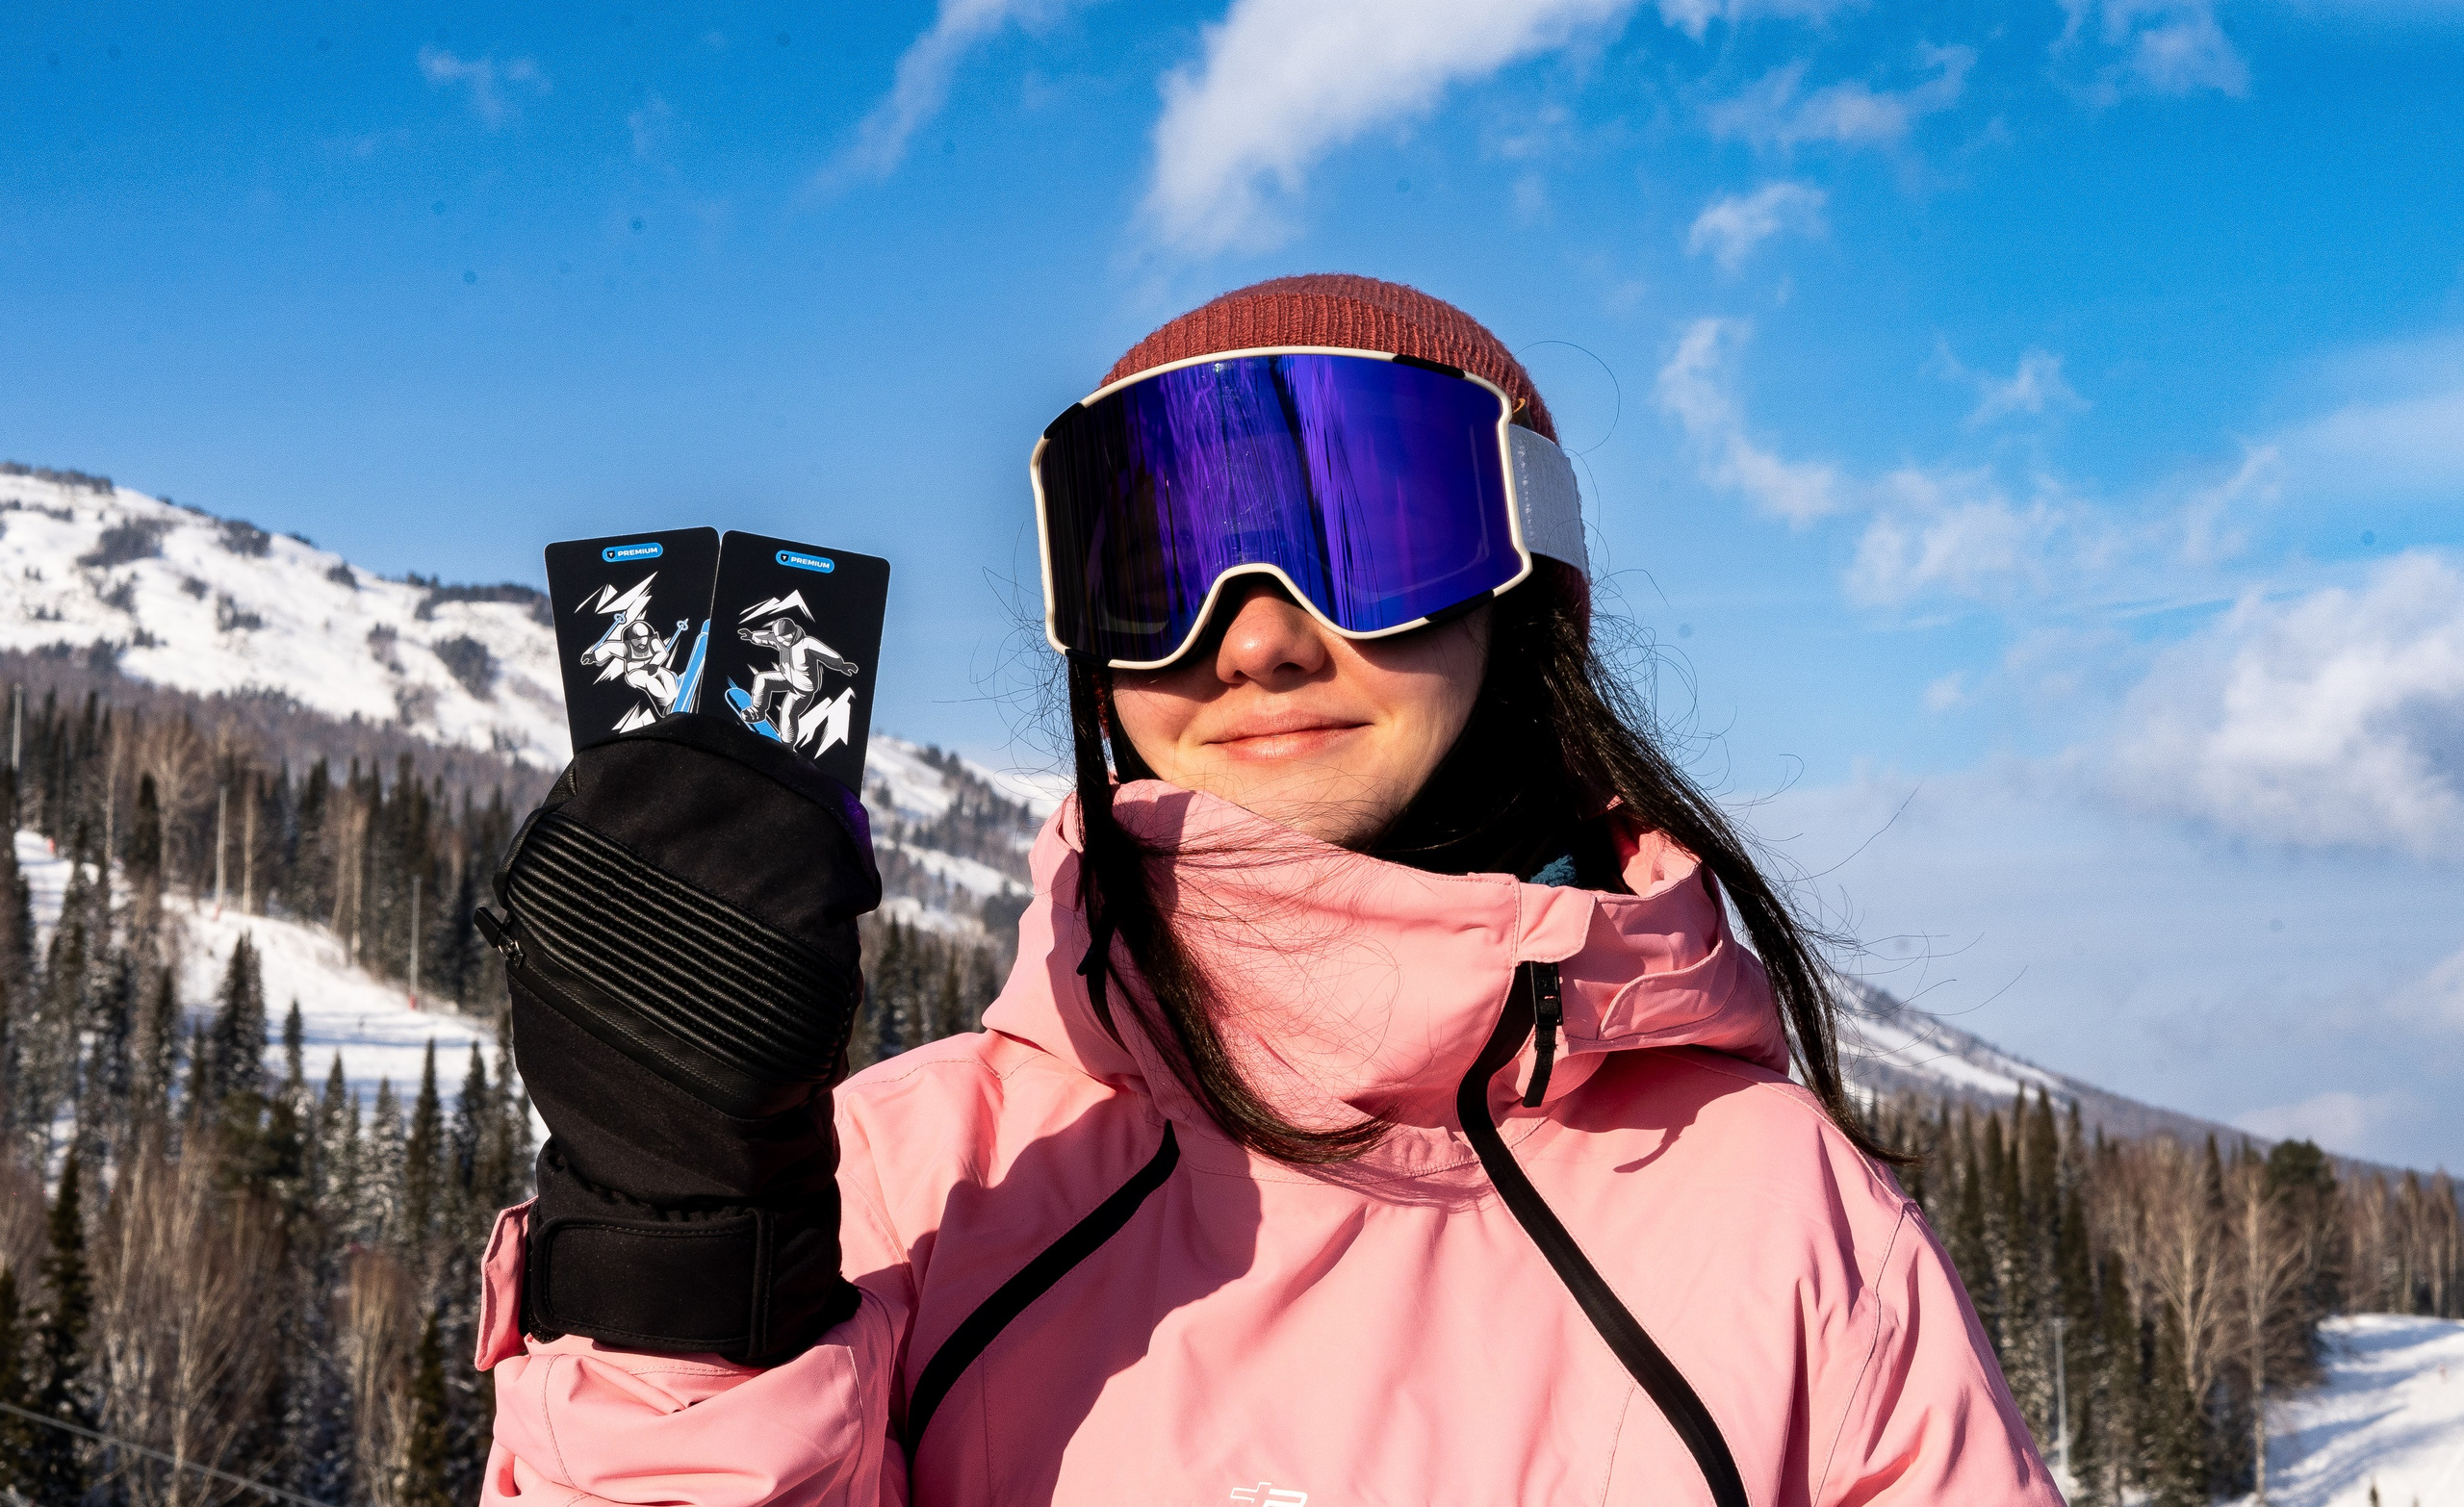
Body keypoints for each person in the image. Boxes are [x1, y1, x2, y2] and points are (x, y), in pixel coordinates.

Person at [474, 275, 2062, 1506]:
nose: (1255, 638)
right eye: (1159, 565)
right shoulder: (911, 1176)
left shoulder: (1778, 1221)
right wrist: (683, 1263)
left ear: (1523, 593)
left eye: (1365, 532)